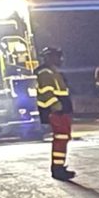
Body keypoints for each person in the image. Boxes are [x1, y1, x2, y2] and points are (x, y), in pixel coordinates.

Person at [33, 46, 76, 181]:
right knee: (61, 138)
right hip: (57, 111)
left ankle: (59, 166)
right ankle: (57, 169)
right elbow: (47, 92)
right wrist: (56, 106)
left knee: (62, 138)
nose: (60, 59)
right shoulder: (46, 72)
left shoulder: (52, 71)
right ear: (49, 57)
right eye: (57, 56)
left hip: (61, 110)